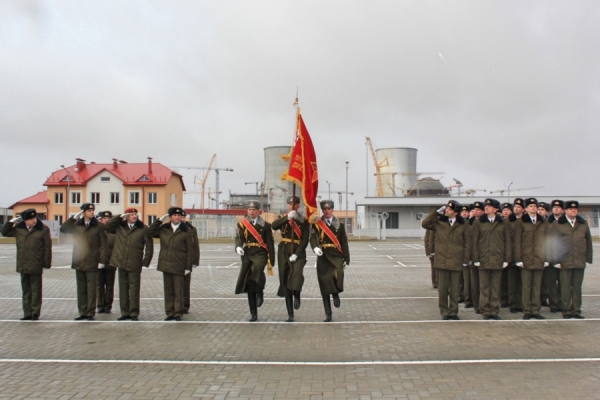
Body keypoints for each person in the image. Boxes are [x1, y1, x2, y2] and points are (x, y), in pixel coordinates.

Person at [422, 201, 470, 320]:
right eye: (446, 208)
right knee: (443, 289)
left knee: (455, 289)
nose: (446, 210)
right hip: (442, 260)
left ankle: (453, 311)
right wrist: (436, 212)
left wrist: (465, 259)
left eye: (449, 209)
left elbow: (467, 243)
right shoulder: (440, 223)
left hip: (455, 260)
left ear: (455, 212)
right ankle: (444, 311)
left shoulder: (462, 225)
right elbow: (425, 223)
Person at [2, 209, 52, 321]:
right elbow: (5, 232)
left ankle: (35, 313)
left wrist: (46, 263)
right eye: (30, 219)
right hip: (23, 263)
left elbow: (47, 247)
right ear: (24, 220)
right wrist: (11, 222)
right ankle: (27, 313)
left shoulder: (43, 229)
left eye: (34, 218)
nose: (33, 220)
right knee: (26, 290)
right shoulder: (19, 229)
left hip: (36, 263)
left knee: (35, 290)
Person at [60, 203, 107, 321]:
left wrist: (102, 260)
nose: (92, 212)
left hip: (92, 260)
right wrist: (73, 218)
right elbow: (63, 228)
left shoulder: (99, 226)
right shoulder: (77, 225)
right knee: (81, 289)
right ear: (83, 212)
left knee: (91, 289)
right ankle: (82, 312)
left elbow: (103, 245)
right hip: (79, 260)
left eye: (93, 210)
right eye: (89, 210)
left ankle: (90, 312)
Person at [105, 208, 154, 321]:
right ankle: (124, 312)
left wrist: (146, 261)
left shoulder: (142, 228)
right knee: (123, 289)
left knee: (134, 289)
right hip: (121, 262)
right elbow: (107, 226)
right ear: (126, 216)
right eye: (131, 214)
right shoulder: (119, 227)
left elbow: (149, 246)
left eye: (135, 214)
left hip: (134, 262)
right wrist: (119, 216)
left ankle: (134, 313)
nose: (134, 216)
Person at [148, 207, 194, 321]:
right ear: (170, 217)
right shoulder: (164, 229)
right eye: (174, 215)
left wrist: (188, 266)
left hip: (179, 263)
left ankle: (178, 313)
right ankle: (169, 312)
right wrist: (158, 221)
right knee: (168, 290)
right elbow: (149, 232)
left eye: (179, 216)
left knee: (178, 290)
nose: (177, 217)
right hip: (166, 263)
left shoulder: (186, 231)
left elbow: (190, 250)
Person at [309, 200, 350, 322]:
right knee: (324, 284)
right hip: (323, 256)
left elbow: (344, 242)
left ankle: (336, 293)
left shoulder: (340, 225)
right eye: (325, 209)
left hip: (336, 255)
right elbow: (313, 237)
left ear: (332, 209)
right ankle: (328, 313)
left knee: (338, 274)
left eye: (329, 209)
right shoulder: (317, 223)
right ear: (322, 210)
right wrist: (315, 247)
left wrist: (346, 259)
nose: (327, 211)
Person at [235, 200, 275, 322]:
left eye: (254, 210)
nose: (251, 212)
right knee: (249, 283)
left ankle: (259, 291)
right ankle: (253, 313)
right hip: (247, 253)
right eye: (250, 210)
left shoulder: (266, 225)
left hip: (260, 253)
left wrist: (271, 259)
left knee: (257, 268)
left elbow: (270, 243)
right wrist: (238, 246)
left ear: (258, 211)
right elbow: (239, 238)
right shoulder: (242, 224)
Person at [271, 195, 310, 322]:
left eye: (295, 204)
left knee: (297, 274)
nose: (292, 206)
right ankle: (290, 313)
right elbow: (274, 226)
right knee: (284, 279)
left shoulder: (304, 221)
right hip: (284, 251)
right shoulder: (283, 218)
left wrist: (297, 253)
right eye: (290, 204)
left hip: (298, 251)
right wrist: (287, 217)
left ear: (298, 206)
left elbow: (304, 240)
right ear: (288, 205)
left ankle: (297, 294)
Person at [471, 198, 511, 320]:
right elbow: (475, 241)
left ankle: (494, 310)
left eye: (489, 206)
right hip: (483, 259)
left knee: (495, 286)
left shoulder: (503, 223)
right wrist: (476, 258)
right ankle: (485, 310)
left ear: (496, 209)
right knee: (484, 286)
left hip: (497, 259)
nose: (486, 208)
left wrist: (506, 259)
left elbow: (507, 242)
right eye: (486, 206)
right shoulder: (479, 222)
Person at [553, 201, 593, 319]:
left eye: (575, 209)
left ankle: (576, 310)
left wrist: (588, 259)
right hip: (564, 260)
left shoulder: (583, 224)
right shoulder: (558, 224)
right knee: (565, 287)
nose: (573, 210)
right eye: (570, 209)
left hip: (579, 260)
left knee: (576, 287)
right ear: (565, 211)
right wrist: (555, 260)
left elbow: (588, 242)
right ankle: (566, 310)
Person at [514, 198, 549, 320]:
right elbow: (517, 241)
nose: (533, 208)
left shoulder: (543, 222)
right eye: (530, 206)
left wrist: (546, 258)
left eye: (535, 206)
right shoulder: (521, 222)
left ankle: (535, 310)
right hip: (526, 258)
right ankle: (527, 310)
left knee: (536, 286)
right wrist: (518, 258)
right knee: (526, 286)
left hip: (539, 258)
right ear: (526, 209)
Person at [543, 200, 565, 312]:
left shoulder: (566, 222)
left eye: (558, 207)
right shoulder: (546, 222)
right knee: (551, 283)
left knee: (562, 283)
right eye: (554, 207)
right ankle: (553, 304)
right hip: (551, 257)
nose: (556, 209)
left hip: (563, 257)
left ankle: (561, 303)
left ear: (563, 209)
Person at [506, 198, 524, 313]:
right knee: (512, 282)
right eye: (515, 207)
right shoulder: (508, 221)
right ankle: (512, 303)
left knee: (522, 282)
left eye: (518, 207)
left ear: (523, 209)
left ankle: (521, 303)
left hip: (524, 256)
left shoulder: (526, 221)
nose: (516, 208)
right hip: (511, 256)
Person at [97, 211, 116, 313]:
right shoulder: (97, 230)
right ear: (100, 219)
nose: (106, 220)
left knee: (109, 285)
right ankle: (100, 305)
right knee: (99, 285)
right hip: (99, 262)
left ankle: (108, 305)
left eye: (108, 218)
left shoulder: (114, 231)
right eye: (104, 218)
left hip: (110, 262)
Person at [181, 210, 200, 314]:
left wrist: (195, 261)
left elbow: (195, 246)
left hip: (187, 260)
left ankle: (185, 306)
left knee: (185, 285)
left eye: (184, 217)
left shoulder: (191, 229)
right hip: (176, 260)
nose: (182, 219)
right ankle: (177, 305)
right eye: (181, 217)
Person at [468, 202, 484, 314]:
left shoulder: (484, 223)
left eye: (478, 209)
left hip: (482, 257)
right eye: (474, 210)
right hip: (472, 257)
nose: (476, 211)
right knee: (474, 284)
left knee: (483, 284)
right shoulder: (469, 223)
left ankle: (482, 305)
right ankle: (476, 305)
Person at [499, 202, 513, 308]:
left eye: (508, 210)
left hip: (513, 254)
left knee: (512, 280)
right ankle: (503, 299)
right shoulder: (500, 223)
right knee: (502, 280)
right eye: (504, 210)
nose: (506, 212)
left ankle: (512, 300)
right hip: (501, 254)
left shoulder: (516, 222)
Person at [459, 205, 472, 308]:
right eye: (462, 212)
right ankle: (460, 295)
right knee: (460, 278)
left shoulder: (470, 224)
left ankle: (467, 298)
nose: (464, 213)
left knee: (467, 278)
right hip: (459, 254)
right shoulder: (458, 223)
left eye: (466, 212)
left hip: (468, 254)